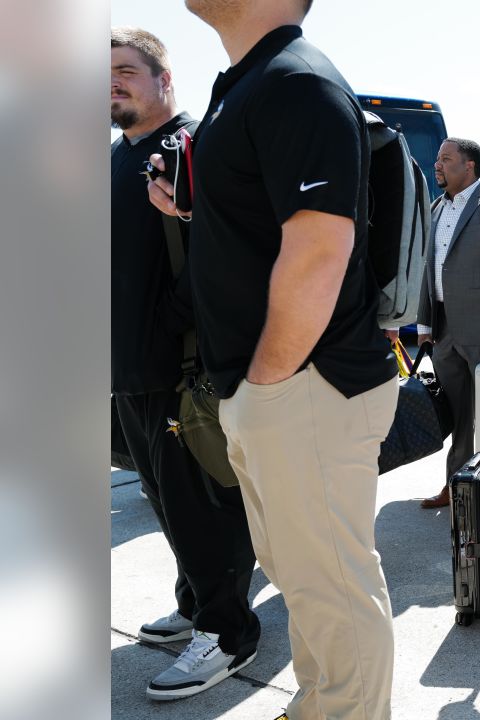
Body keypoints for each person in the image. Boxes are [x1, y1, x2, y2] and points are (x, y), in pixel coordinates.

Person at [148, 2, 398, 717]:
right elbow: (265, 230)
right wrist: (196, 210)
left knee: (333, 584)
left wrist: (265, 384)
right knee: (303, 578)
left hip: (304, 381)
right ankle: (322, 704)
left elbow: (321, 249)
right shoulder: (245, 84)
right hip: (276, 385)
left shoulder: (296, 81)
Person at [111, 25, 260, 701]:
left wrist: (164, 334)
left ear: (164, 81)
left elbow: (213, 265)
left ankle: (227, 633)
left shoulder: (187, 147)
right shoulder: (118, 154)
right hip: (130, 370)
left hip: (180, 369)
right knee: (166, 502)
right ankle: (196, 600)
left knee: (204, 508)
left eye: (126, 71)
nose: (111, 83)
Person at [417, 138, 480, 509]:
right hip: (445, 332)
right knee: (460, 416)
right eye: (438, 159)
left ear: (470, 166)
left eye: (446, 159)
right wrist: (425, 325)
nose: (437, 165)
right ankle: (456, 487)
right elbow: (429, 269)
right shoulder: (434, 208)